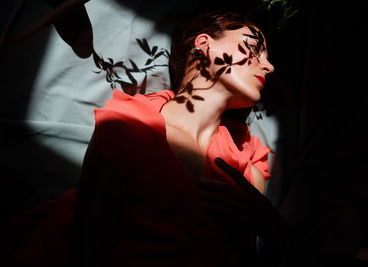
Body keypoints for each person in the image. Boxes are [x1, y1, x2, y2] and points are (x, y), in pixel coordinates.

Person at [1, 11, 288, 267]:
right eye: (255, 49)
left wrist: (273, 230)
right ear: (204, 44)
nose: (269, 66)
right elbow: (87, 252)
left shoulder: (248, 164)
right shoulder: (127, 128)